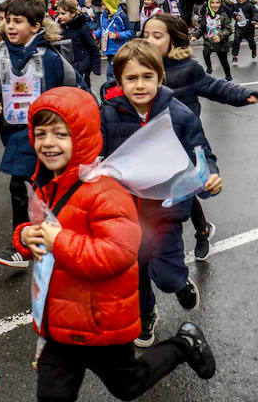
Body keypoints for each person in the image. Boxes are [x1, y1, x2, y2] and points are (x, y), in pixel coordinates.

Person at [13, 87, 217, 401]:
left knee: (129, 385)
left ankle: (185, 344)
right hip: (61, 326)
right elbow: (40, 238)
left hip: (102, 323)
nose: (48, 143)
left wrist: (59, 240)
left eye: (60, 134)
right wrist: (25, 236)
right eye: (40, 134)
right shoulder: (47, 187)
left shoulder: (107, 192)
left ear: (80, 136)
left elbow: (117, 254)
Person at [99, 40, 222, 347]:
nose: (139, 85)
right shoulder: (108, 115)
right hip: (125, 214)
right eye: (131, 78)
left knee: (165, 275)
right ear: (119, 80)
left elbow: (200, 150)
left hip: (166, 212)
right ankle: (146, 315)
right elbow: (96, 153)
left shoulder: (178, 114)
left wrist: (211, 175)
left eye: (147, 77)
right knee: (135, 273)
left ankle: (180, 284)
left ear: (160, 77)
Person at [0, 0, 85, 268]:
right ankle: (29, 243)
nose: (10, 26)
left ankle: (27, 245)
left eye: (17, 22)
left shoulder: (51, 58)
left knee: (32, 187)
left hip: (49, 135)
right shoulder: (0, 56)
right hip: (17, 135)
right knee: (24, 187)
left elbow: (78, 90)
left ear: (35, 27)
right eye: (7, 21)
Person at [143, 14, 258, 260]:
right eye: (145, 35)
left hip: (183, 140)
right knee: (163, 192)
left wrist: (242, 94)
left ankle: (201, 230)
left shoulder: (187, 68)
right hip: (152, 144)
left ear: (173, 41)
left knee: (188, 188)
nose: (149, 41)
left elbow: (215, 86)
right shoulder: (140, 66)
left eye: (157, 36)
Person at [55, 0, 101, 90]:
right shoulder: (60, 28)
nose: (60, 16)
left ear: (72, 13)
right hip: (68, 66)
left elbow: (93, 47)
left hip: (82, 65)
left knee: (83, 90)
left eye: (63, 13)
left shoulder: (82, 28)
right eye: (58, 13)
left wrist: (95, 67)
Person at [93, 0, 133, 80]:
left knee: (110, 74)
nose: (102, 7)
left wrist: (117, 35)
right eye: (102, 4)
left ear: (111, 4)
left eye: (104, 5)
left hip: (118, 50)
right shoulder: (103, 16)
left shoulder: (121, 16)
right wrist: (95, 34)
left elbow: (130, 31)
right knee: (117, 73)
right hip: (108, 49)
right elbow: (101, 28)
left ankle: (111, 91)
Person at [196, 0, 234, 80]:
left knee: (223, 61)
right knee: (206, 52)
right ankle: (209, 68)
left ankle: (228, 76)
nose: (215, 5)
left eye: (217, 3)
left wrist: (220, 36)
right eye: (212, 3)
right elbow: (202, 28)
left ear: (220, 4)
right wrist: (195, 35)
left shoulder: (223, 15)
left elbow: (229, 29)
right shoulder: (206, 16)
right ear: (209, 4)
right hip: (209, 40)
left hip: (221, 43)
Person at [230, 0, 258, 64]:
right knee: (236, 41)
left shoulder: (249, 5)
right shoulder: (235, 6)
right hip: (239, 27)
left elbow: (256, 12)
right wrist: (235, 16)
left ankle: (253, 50)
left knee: (251, 41)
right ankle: (235, 56)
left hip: (248, 27)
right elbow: (232, 12)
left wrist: (254, 19)